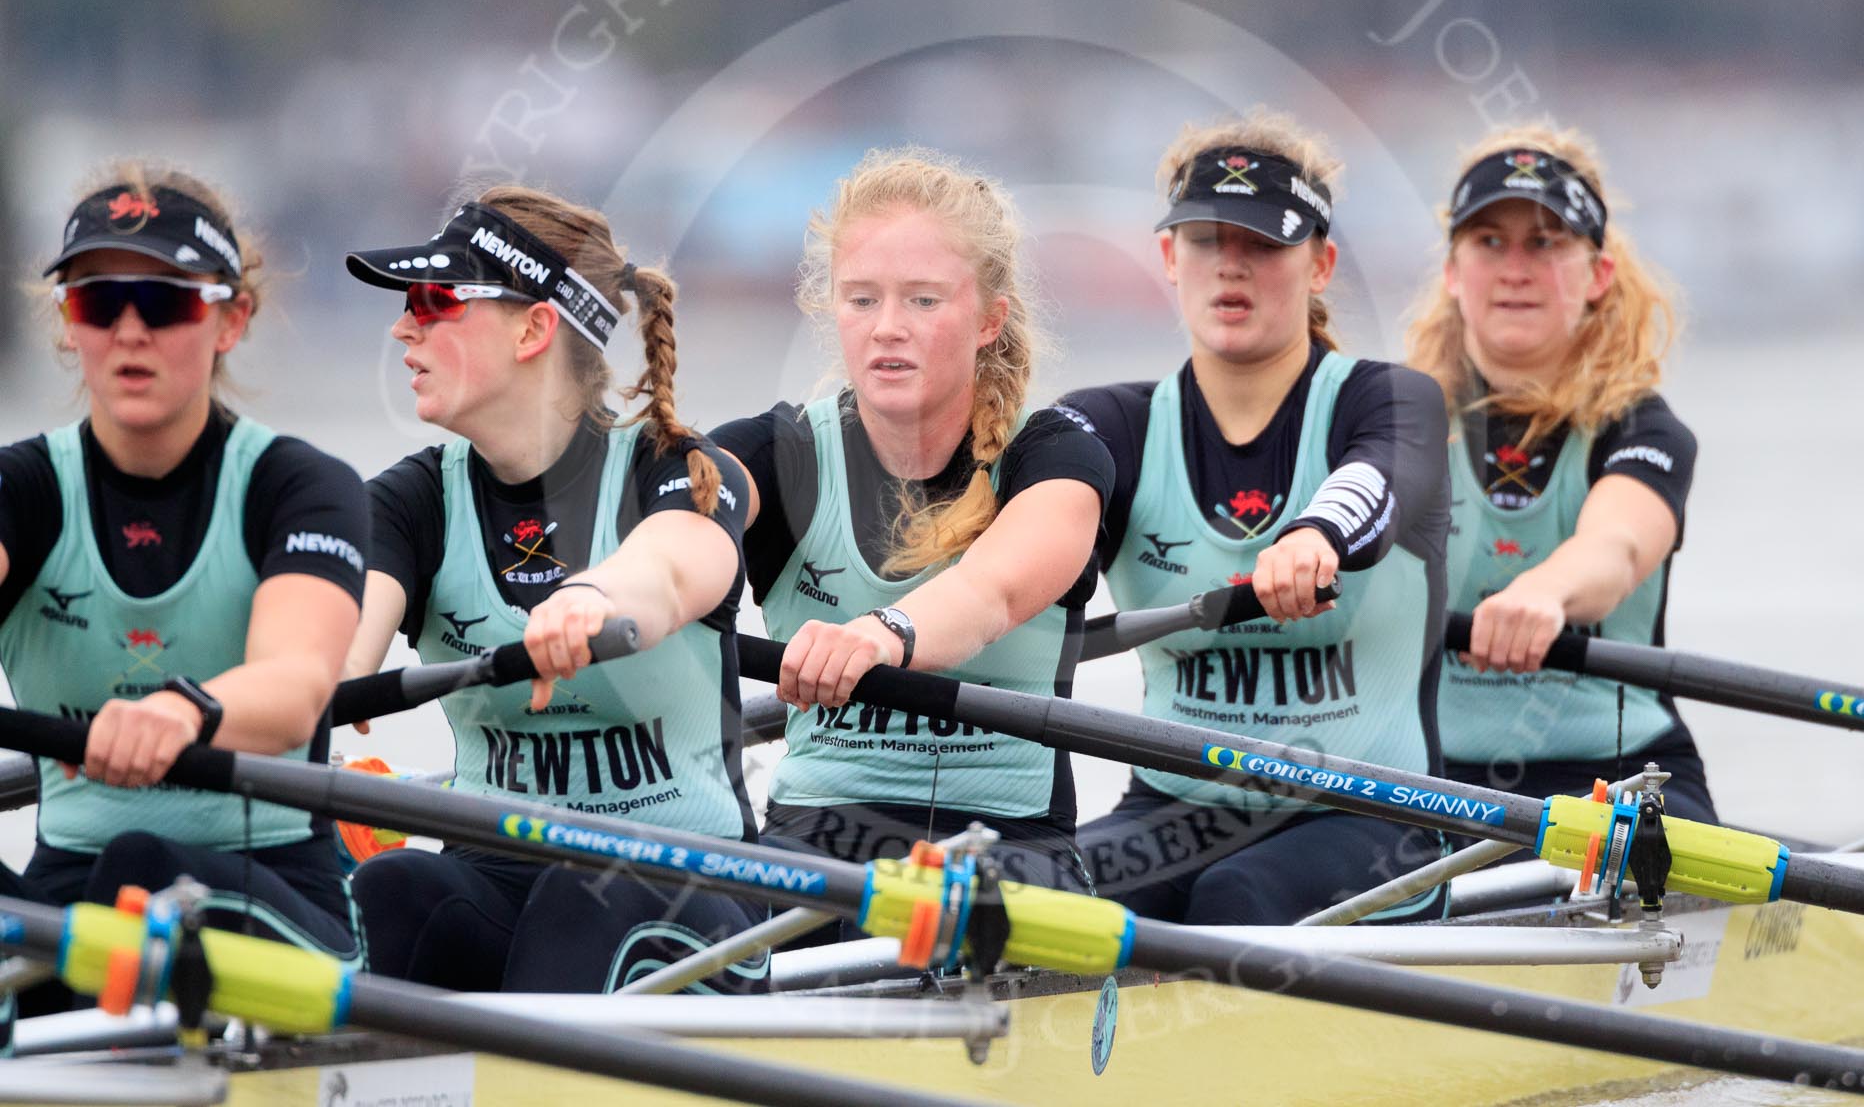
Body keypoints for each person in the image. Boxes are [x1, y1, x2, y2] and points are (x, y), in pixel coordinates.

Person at [341, 187, 765, 993]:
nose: (403, 325)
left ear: (534, 328)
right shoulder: (410, 502)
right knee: (388, 894)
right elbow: (335, 642)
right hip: (496, 876)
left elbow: (673, 569)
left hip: (691, 886)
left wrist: (592, 600)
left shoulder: (677, 472)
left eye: (435, 300)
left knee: (582, 897)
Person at [1062, 111, 1453, 927]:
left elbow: (1375, 481)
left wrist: (1313, 537)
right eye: (1205, 240)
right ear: (1170, 258)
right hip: (1171, 812)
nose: (1230, 265)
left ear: (1320, 265)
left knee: (1237, 895)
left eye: (1264, 244)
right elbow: (1033, 542)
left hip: (1377, 822)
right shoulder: (1110, 425)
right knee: (1036, 888)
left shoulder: (1392, 399)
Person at [711, 149, 1111, 895]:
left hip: (1008, 843)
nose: (887, 328)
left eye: (923, 301)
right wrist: (614, 591)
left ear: (989, 320)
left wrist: (879, 633)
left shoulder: (1055, 454)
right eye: (862, 300)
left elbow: (991, 593)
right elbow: (677, 532)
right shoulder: (774, 452)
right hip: (817, 831)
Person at [0, 165, 366, 966]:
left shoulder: (300, 487)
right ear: (68, 322)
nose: (130, 331)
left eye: (164, 301)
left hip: (270, 888)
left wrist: (176, 712)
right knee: (116, 878)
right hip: (69, 888)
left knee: (140, 867)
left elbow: (298, 685)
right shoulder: (18, 489)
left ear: (230, 319)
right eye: (98, 301)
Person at [1405, 125, 1714, 822]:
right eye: (1489, 243)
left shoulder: (1642, 430)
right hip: (1428, 779)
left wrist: (1543, 592)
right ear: (1453, 272)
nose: (1515, 269)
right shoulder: (1392, 422)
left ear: (1598, 274)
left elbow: (1617, 547)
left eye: (1544, 244)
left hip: (1617, 774)